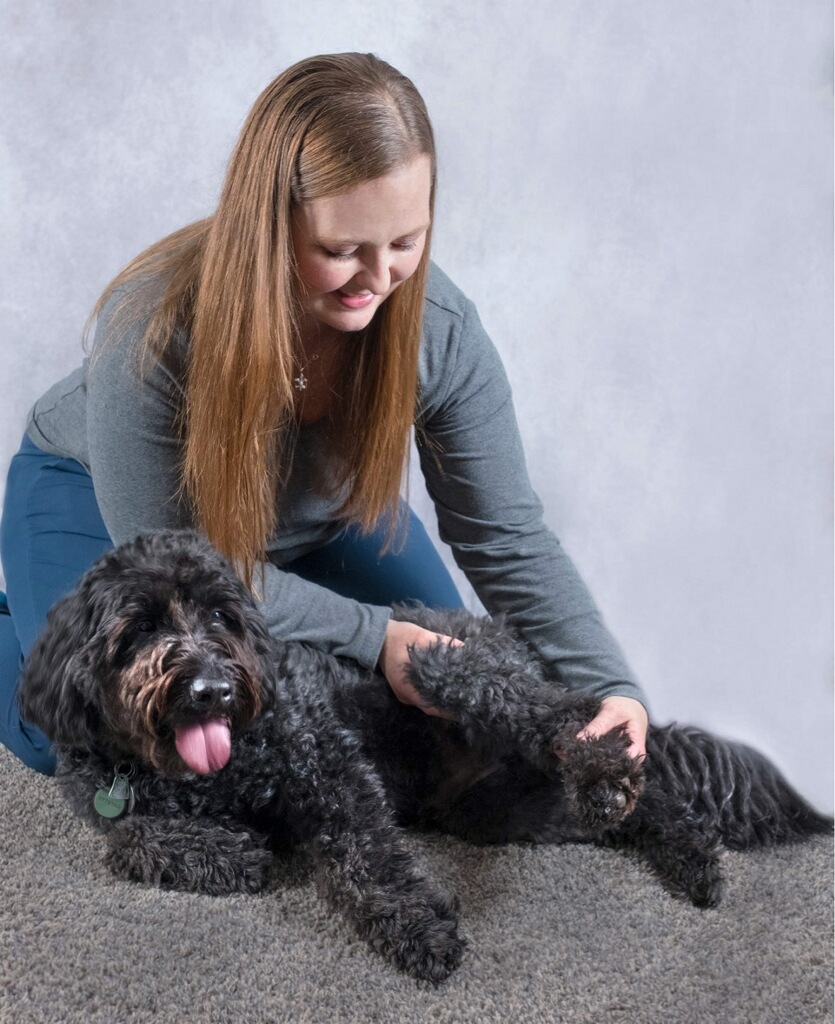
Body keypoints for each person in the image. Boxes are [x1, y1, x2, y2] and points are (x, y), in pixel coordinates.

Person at [0, 52, 648, 776]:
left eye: (406, 242)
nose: (378, 281)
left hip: (306, 522)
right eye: (341, 250)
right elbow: (178, 570)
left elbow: (504, 536)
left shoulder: (440, 328)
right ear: (268, 226)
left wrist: (608, 687)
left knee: (435, 705)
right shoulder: (150, 328)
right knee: (103, 737)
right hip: (113, 515)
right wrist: (374, 635)